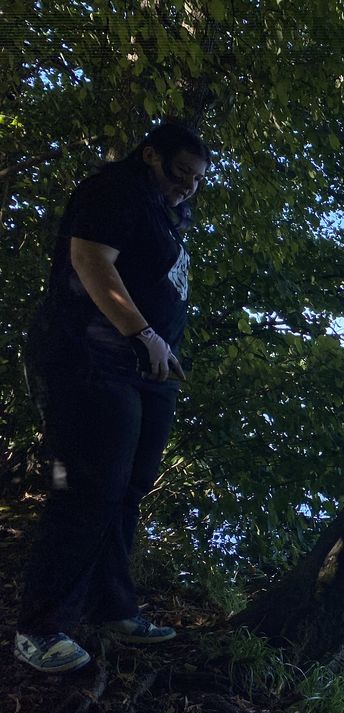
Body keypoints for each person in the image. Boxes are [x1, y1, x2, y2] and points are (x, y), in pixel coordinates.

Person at [14, 124, 211, 673]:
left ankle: (112, 609)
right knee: (87, 486)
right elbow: (91, 261)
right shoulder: (114, 190)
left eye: (197, 182)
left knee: (129, 487)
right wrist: (142, 332)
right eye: (179, 175)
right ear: (150, 155)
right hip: (90, 357)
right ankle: (40, 627)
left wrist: (158, 349)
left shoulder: (167, 212)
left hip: (146, 372)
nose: (187, 188)